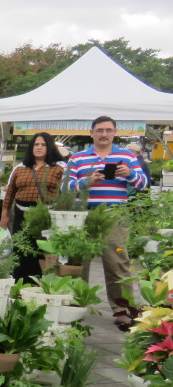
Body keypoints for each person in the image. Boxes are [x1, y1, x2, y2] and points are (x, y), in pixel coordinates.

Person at [64, 116, 149, 330]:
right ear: (91, 133)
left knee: (117, 263)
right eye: (100, 130)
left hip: (114, 216)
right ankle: (76, 305)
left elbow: (143, 184)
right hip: (83, 215)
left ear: (114, 133)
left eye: (108, 130)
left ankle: (123, 310)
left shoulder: (127, 156)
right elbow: (65, 187)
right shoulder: (78, 158)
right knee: (78, 264)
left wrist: (129, 174)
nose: (104, 134)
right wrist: (88, 181)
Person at [0, 132, 65, 282]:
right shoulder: (20, 168)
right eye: (36, 144)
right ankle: (19, 285)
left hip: (45, 216)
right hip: (21, 215)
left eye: (43, 144)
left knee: (40, 252)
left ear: (50, 147)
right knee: (21, 250)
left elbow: (66, 192)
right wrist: (4, 213)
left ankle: (40, 285)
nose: (39, 147)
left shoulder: (59, 168)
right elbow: (10, 192)